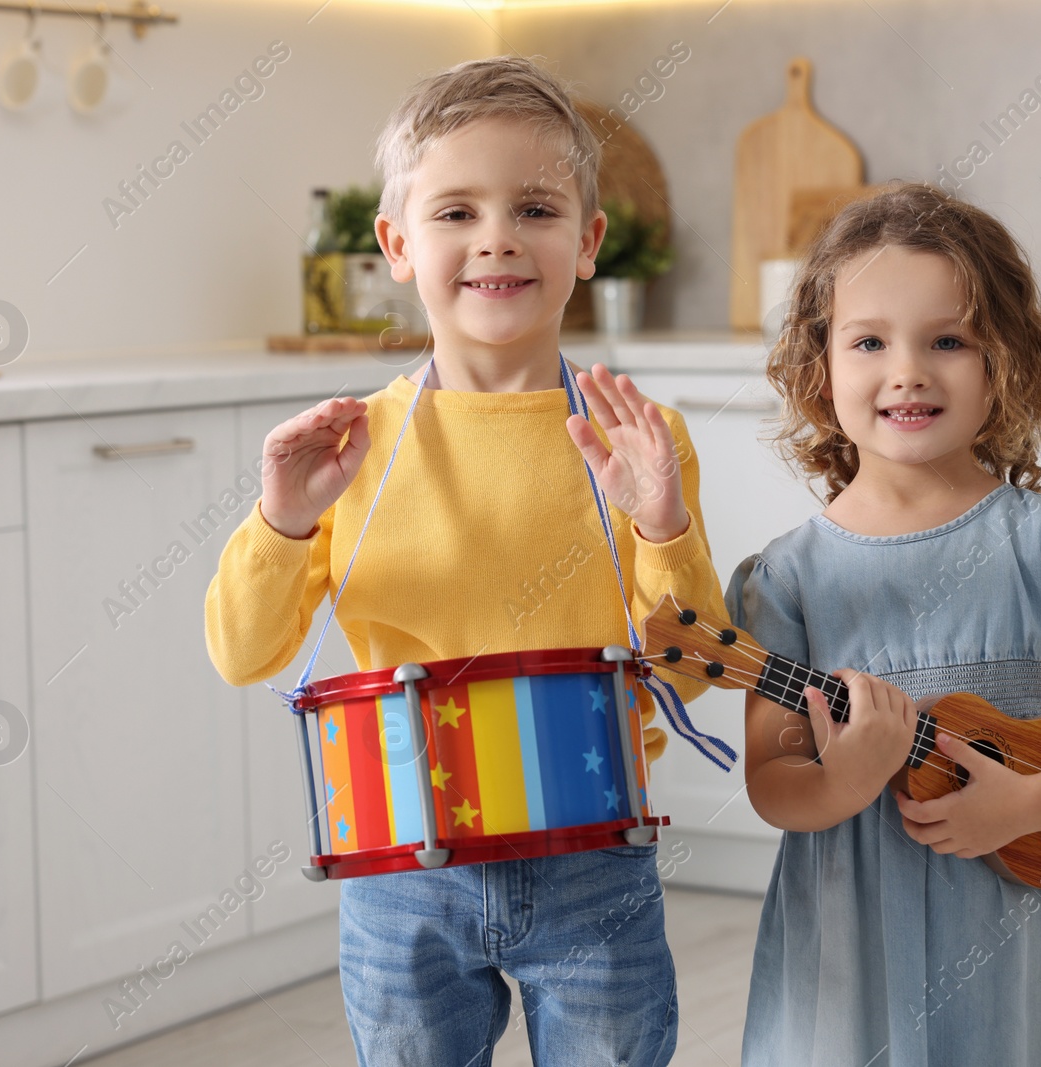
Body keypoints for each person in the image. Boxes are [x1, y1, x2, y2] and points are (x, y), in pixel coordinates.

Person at [204, 56, 731, 1067]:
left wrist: (660, 521)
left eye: (533, 207)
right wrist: (280, 519)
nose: (494, 236)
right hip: (401, 861)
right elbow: (242, 651)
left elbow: (694, 673)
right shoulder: (346, 446)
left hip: (593, 854)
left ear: (587, 244)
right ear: (398, 245)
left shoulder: (638, 438)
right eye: (455, 212)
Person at [726, 181, 1041, 1066]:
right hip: (857, 934)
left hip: (1030, 921)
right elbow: (773, 782)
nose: (908, 370)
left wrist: (1028, 802)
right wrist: (846, 778)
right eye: (870, 341)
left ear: (1003, 365)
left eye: (948, 340)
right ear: (820, 370)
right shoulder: (788, 576)